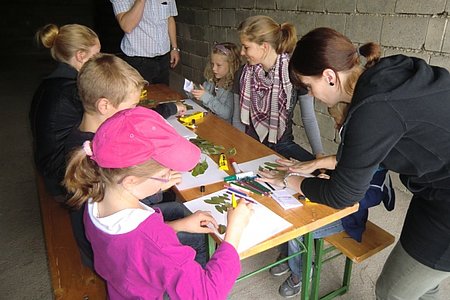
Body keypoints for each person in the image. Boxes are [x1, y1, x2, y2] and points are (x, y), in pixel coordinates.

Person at [259, 27, 450, 300]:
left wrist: (288, 180)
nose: (311, 95)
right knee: (424, 281)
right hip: (434, 186)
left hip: (445, 200)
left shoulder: (372, 109)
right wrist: (320, 162)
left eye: (309, 87)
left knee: (392, 291)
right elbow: (376, 143)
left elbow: (342, 195)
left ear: (329, 76)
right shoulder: (382, 74)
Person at [63, 106, 253, 299]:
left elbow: (134, 251)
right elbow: (207, 294)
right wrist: (234, 231)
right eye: (164, 175)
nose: (169, 178)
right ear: (131, 181)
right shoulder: (153, 240)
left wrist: (178, 226)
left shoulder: (95, 197)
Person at [65, 53, 206, 269]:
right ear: (104, 106)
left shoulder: (97, 138)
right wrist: (157, 189)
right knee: (197, 236)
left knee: (178, 208)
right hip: (114, 253)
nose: (135, 112)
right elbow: (123, 229)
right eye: (131, 106)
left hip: (117, 227)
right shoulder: (98, 150)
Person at [267, 102, 395, 298]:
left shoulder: (376, 168)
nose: (335, 126)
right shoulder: (355, 152)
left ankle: (300, 272)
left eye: (337, 121)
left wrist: (335, 187)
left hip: (347, 219)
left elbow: (368, 196)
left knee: (297, 229)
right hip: (330, 205)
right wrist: (327, 178)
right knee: (288, 212)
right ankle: (290, 255)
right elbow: (339, 169)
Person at [29, 23, 100, 200]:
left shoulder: (49, 83)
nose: (98, 59)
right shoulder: (73, 91)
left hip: (49, 166)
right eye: (96, 54)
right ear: (81, 56)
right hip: (63, 178)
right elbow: (105, 124)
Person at [110, 0, 185, 118]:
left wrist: (174, 47)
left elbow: (169, 19)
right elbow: (127, 26)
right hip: (138, 60)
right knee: (139, 103)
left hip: (163, 58)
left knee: (164, 99)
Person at [190, 42, 241, 124]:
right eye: (212, 64)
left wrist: (206, 97)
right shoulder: (211, 80)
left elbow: (226, 113)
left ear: (232, 65)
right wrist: (194, 91)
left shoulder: (232, 87)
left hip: (222, 128)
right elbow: (203, 98)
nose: (213, 68)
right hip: (209, 122)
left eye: (218, 65)